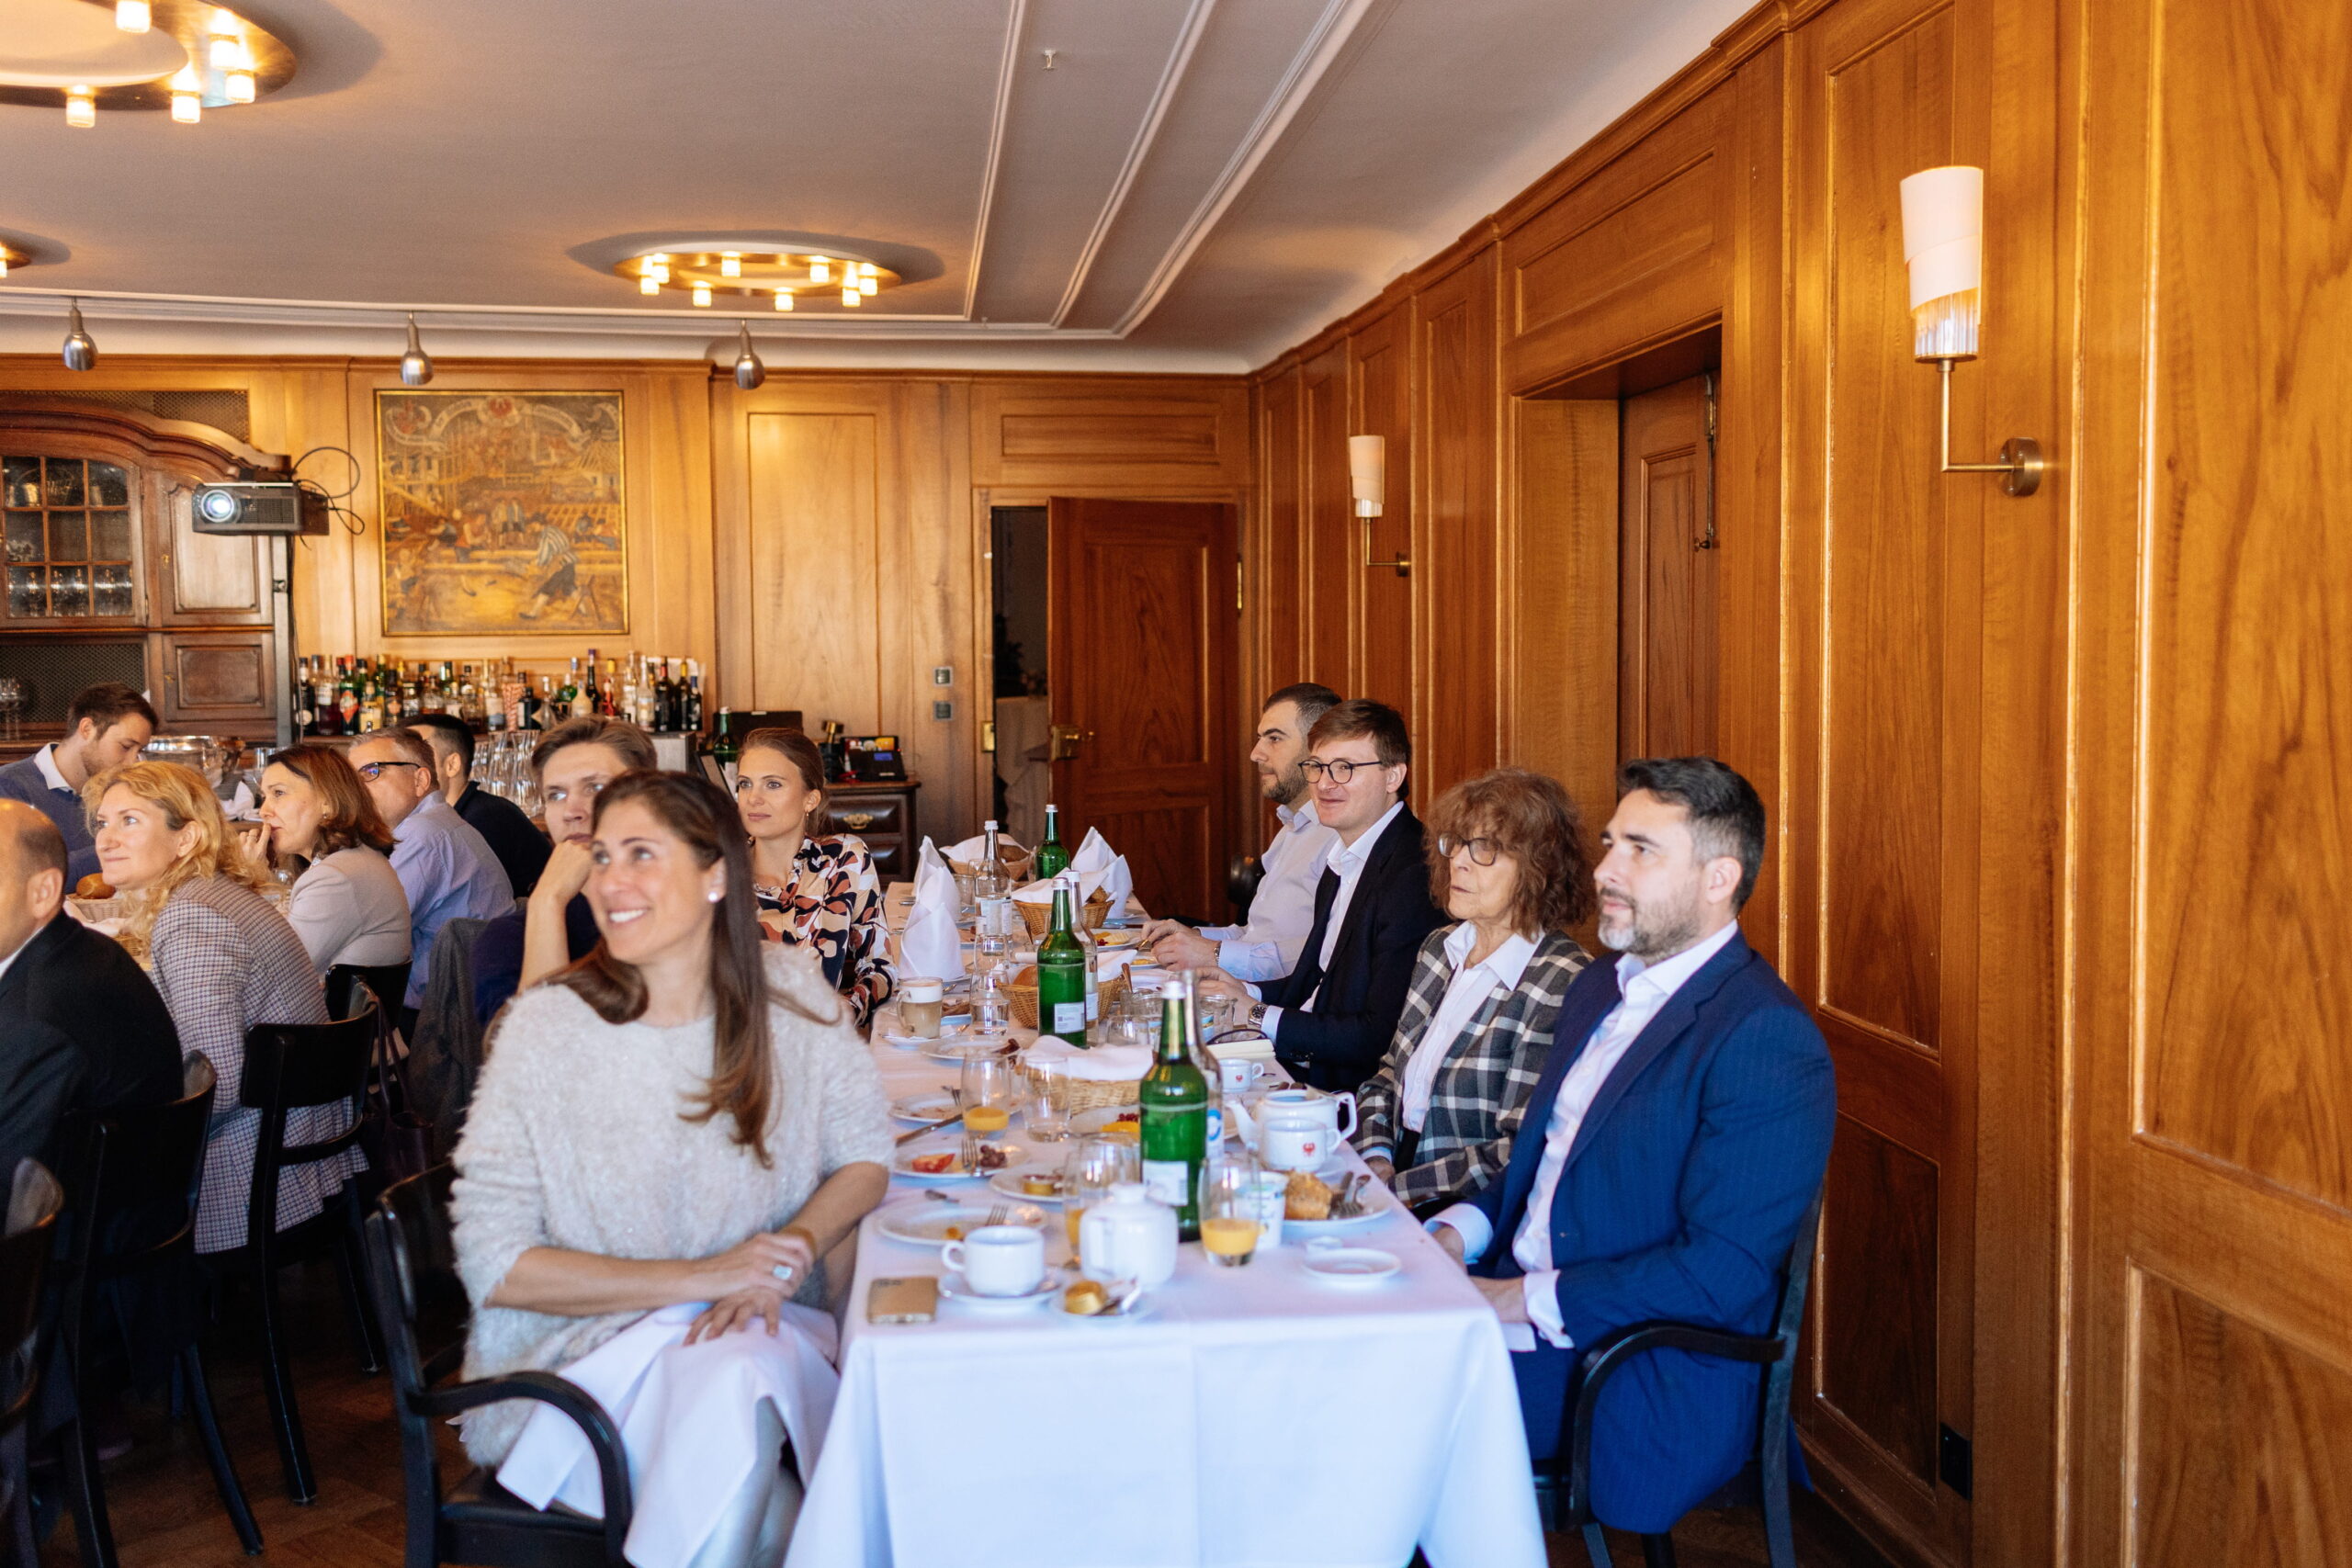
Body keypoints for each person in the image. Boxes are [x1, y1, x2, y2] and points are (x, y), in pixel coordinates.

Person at [451, 771, 891, 1567]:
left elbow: (864, 1158)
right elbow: (497, 1261)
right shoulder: (550, 1025)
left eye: (642, 855)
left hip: (757, 1315)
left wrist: (781, 1258)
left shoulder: (791, 992)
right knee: (752, 1423)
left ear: (716, 872)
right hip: (573, 1357)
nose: (612, 881)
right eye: (604, 855)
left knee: (743, 1372)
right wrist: (708, 1274)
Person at [1426, 758, 1835, 1535]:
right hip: (1521, 1297)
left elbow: (1719, 1274)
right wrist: (1455, 1232)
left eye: (1641, 850)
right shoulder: (1600, 985)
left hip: (1633, 1367)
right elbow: (1542, 1163)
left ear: (1720, 876)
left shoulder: (1764, 1037)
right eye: (1611, 842)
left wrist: (1515, 1297)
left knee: (1369, 1403)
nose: (1606, 869)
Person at [86, 761, 358, 1254]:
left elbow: (218, 1084)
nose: (106, 839)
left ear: (186, 838)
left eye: (130, 821)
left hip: (249, 1174)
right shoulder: (217, 894)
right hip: (302, 1153)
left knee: (80, 1187)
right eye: (103, 822)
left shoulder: (192, 917)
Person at [1351, 769, 1594, 1212]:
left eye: (1484, 849)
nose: (1458, 861)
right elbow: (1388, 1074)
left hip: (1468, 1209)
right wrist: (1377, 1158)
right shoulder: (1440, 947)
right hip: (1390, 1173)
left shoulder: (1563, 978)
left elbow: (1517, 1149)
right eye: (1456, 843)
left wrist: (1397, 1189)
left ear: (1539, 868)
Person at [1194, 699, 1444, 1091]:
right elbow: (1319, 980)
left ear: (1393, 776)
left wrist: (1257, 1014)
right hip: (1300, 1054)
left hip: (1344, 1088)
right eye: (1317, 767)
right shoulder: (1342, 856)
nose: (1325, 784)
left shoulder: (1413, 875)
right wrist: (1243, 991)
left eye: (1345, 768)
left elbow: (1377, 1036)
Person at [0, 801, 181, 1177]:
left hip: (78, 1226)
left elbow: (12, 1190)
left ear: (44, 891)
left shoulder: (39, 1016)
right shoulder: (82, 949)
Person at [1139, 682, 1340, 983]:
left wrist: (1214, 953)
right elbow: (1254, 932)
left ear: (1319, 749)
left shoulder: (1338, 838)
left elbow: (1323, 957)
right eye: (1260, 738)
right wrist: (1191, 935)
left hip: (1279, 1003)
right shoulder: (1294, 824)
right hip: (1243, 985)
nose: (1255, 754)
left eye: (1274, 738)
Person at [471, 716, 656, 1024]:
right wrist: (548, 901)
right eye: (555, 795)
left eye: (595, 787)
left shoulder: (682, 912)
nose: (572, 811)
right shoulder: (507, 941)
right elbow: (533, 1062)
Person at [734, 728, 894, 1031]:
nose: (753, 798)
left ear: (810, 799)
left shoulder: (843, 860)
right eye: (745, 784)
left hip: (819, 1055)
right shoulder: (720, 876)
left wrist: (847, 1010)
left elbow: (880, 968)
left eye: (772, 784)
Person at [351, 728, 513, 1011]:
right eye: (352, 779)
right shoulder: (433, 825)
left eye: (372, 772)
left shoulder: (423, 834)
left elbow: (364, 930)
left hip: (439, 1020)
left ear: (420, 779)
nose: (357, 789)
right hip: (465, 1005)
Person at [256, 742, 412, 978]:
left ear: (327, 801)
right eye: (263, 797)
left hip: (320, 1015)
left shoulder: (337, 877)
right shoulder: (351, 861)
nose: (263, 811)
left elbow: (272, 974)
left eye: (278, 793)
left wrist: (246, 880)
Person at [0, 682, 154, 886]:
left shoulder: (120, 789)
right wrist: (118, 848)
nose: (134, 762)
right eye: (126, 747)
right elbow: (21, 879)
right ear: (87, 729)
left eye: (140, 750)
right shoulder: (10, 786)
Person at [404, 714, 551, 897]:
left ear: (452, 765)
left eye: (417, 757)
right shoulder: (453, 817)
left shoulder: (485, 818)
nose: (404, 770)